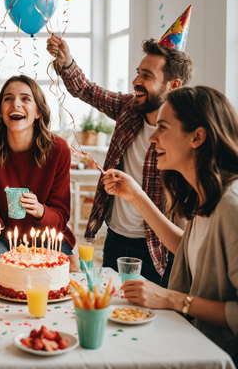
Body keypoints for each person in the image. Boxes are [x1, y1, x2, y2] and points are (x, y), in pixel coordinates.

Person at [102, 86, 238, 364]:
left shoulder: (231, 206)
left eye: (162, 127)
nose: (152, 137)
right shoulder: (207, 197)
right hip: (194, 339)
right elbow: (187, 248)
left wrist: (171, 299)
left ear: (197, 137)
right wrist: (136, 196)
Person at [46, 33, 194, 286]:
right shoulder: (128, 108)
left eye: (147, 76)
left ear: (174, 85)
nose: (136, 81)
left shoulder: (188, 137)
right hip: (115, 238)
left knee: (154, 320)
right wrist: (67, 61)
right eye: (138, 72)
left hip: (158, 249)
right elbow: (86, 90)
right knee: (113, 312)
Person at [0, 75, 80, 273]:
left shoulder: (58, 150)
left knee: (67, 266)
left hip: (46, 237)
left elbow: (61, 216)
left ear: (38, 111)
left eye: (25, 98)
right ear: (2, 112)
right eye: (8, 98)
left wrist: (40, 210)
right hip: (4, 239)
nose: (16, 104)